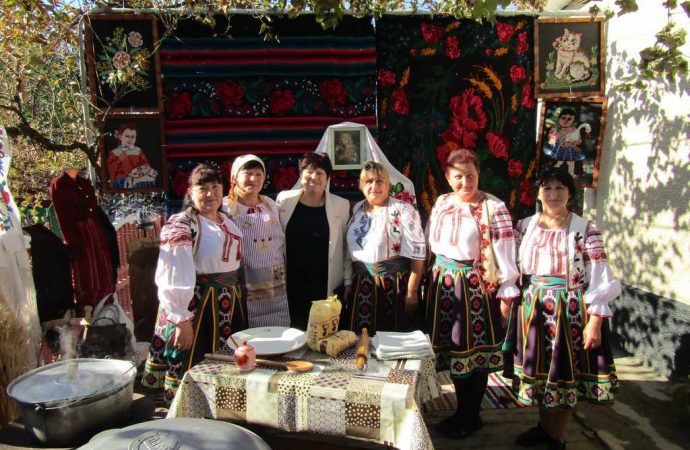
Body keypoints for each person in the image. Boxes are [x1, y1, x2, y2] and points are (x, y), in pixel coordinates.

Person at [510, 167, 620, 450]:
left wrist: (595, 321)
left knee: (562, 375)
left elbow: (600, 277)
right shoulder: (525, 226)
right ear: (537, 193)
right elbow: (506, 262)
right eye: (547, 188)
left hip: (568, 311)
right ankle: (544, 428)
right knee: (542, 374)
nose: (553, 194)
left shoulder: (585, 230)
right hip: (533, 308)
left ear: (570, 193)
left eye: (560, 188)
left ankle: (557, 438)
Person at [425, 148, 520, 438]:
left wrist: (506, 294)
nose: (464, 182)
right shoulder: (442, 202)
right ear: (447, 177)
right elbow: (431, 240)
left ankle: (470, 416)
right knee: (454, 352)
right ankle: (462, 412)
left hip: (474, 287)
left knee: (474, 354)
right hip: (443, 283)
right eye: (458, 176)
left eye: (470, 175)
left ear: (479, 174)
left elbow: (506, 254)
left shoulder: (494, 207)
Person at [142, 164, 246, 403]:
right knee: (193, 358)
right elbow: (173, 273)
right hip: (197, 306)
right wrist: (180, 318)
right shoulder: (181, 225)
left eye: (215, 187)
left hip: (225, 302)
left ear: (224, 190)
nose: (210, 194)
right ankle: (187, 408)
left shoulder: (226, 220)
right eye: (203, 188)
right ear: (190, 192)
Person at [345, 161, 425, 333]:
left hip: (393, 285)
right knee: (362, 340)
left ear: (388, 185)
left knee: (392, 340)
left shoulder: (404, 209)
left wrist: (412, 290)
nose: (375, 186)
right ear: (361, 185)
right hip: (362, 285)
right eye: (369, 181)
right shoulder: (356, 209)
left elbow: (418, 255)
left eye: (380, 181)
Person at [276, 153, 351, 330]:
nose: (314, 177)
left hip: (325, 281)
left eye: (320, 173)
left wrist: (348, 281)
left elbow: (345, 247)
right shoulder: (284, 200)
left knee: (323, 333)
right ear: (301, 174)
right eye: (309, 172)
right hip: (293, 282)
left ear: (327, 179)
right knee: (294, 332)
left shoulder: (340, 204)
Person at [223, 154, 290, 327]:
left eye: (259, 174)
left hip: (275, 280)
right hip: (244, 279)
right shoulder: (225, 207)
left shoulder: (270, 204)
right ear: (234, 177)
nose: (254, 179)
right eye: (248, 173)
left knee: (277, 327)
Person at [107, 123, 158, 189]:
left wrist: (140, 169)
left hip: (137, 177)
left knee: (150, 178)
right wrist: (119, 159)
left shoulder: (138, 150)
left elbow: (146, 164)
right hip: (122, 181)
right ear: (120, 137)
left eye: (133, 137)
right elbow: (110, 170)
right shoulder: (114, 152)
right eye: (127, 136)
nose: (130, 139)